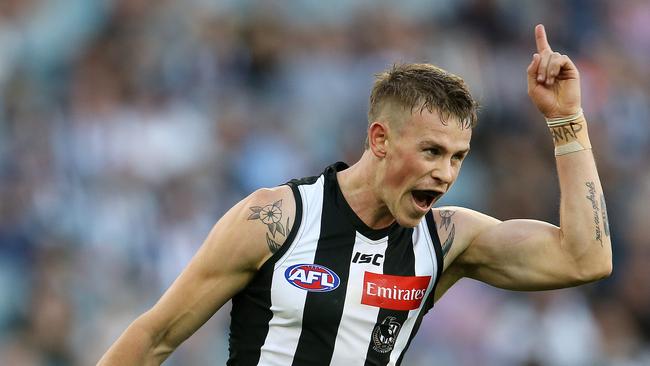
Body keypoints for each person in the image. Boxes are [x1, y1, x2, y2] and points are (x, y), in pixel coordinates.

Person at [98, 24, 612, 366]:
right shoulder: (275, 219)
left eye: (457, 157)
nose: (445, 172)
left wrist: (566, 121)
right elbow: (154, 338)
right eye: (431, 151)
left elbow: (584, 259)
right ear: (380, 140)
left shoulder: (448, 240)